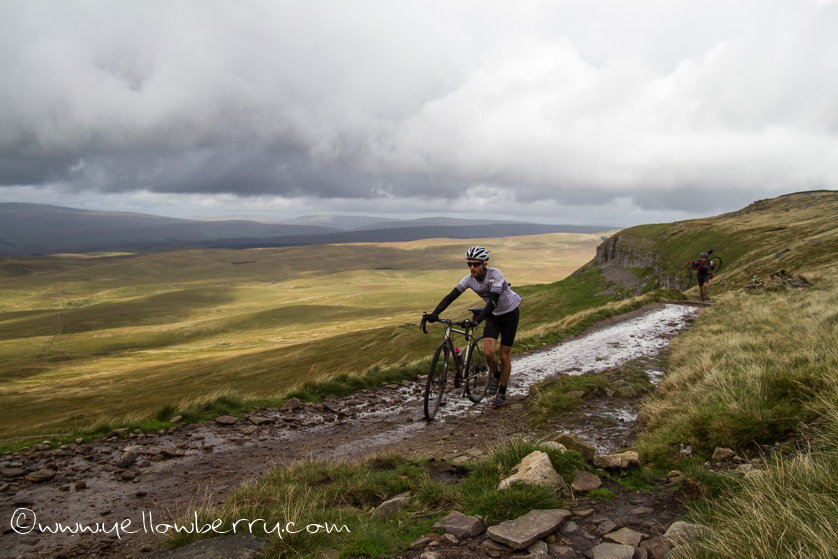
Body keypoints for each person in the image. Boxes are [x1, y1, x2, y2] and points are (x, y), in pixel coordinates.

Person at [426, 246, 521, 408]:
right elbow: (451, 297)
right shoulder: (469, 279)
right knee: (488, 353)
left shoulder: (495, 275)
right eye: (469, 264)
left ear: (484, 264)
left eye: (476, 264)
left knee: (504, 355)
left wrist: (477, 321)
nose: (472, 267)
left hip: (510, 313)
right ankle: (496, 375)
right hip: (493, 315)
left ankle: (502, 392)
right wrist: (434, 314)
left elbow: (492, 302)